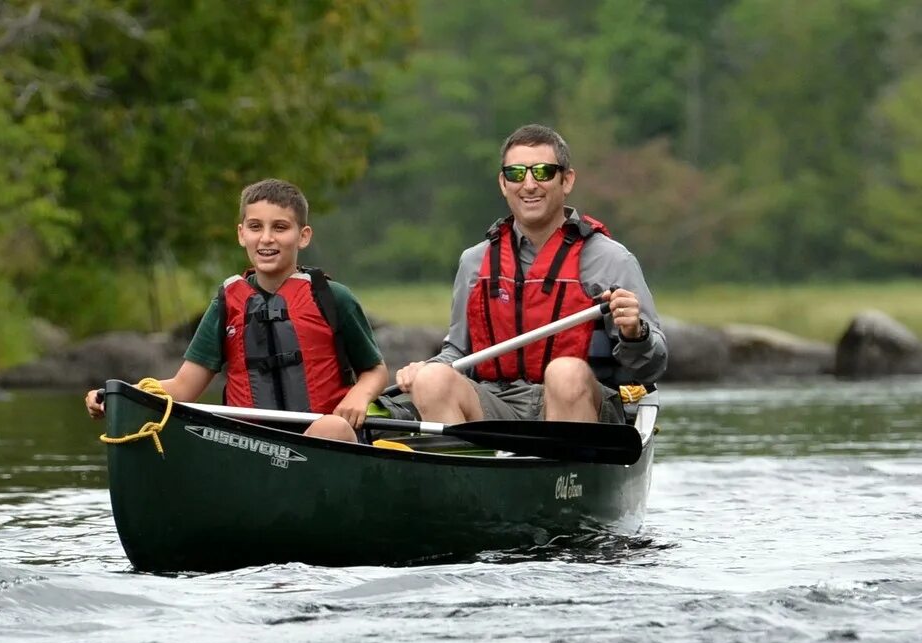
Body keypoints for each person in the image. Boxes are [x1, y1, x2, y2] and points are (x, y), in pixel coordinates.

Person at [394, 123, 667, 425]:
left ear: (567, 180)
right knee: (432, 379)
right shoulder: (474, 262)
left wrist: (635, 333)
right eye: (516, 174)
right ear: (503, 183)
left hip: (585, 407)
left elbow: (651, 368)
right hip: (498, 403)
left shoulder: (612, 259)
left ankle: (565, 470)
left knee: (564, 373)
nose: (528, 185)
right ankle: (470, 470)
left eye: (542, 172)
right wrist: (424, 369)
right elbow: (458, 352)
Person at [85, 178, 388, 442]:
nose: (267, 238)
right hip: (250, 445)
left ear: (303, 236)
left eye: (280, 227)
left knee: (332, 427)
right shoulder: (227, 303)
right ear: (242, 233)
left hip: (329, 439)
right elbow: (183, 388)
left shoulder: (333, 298)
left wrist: (359, 396)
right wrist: (119, 395)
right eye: (256, 227)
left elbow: (374, 370)